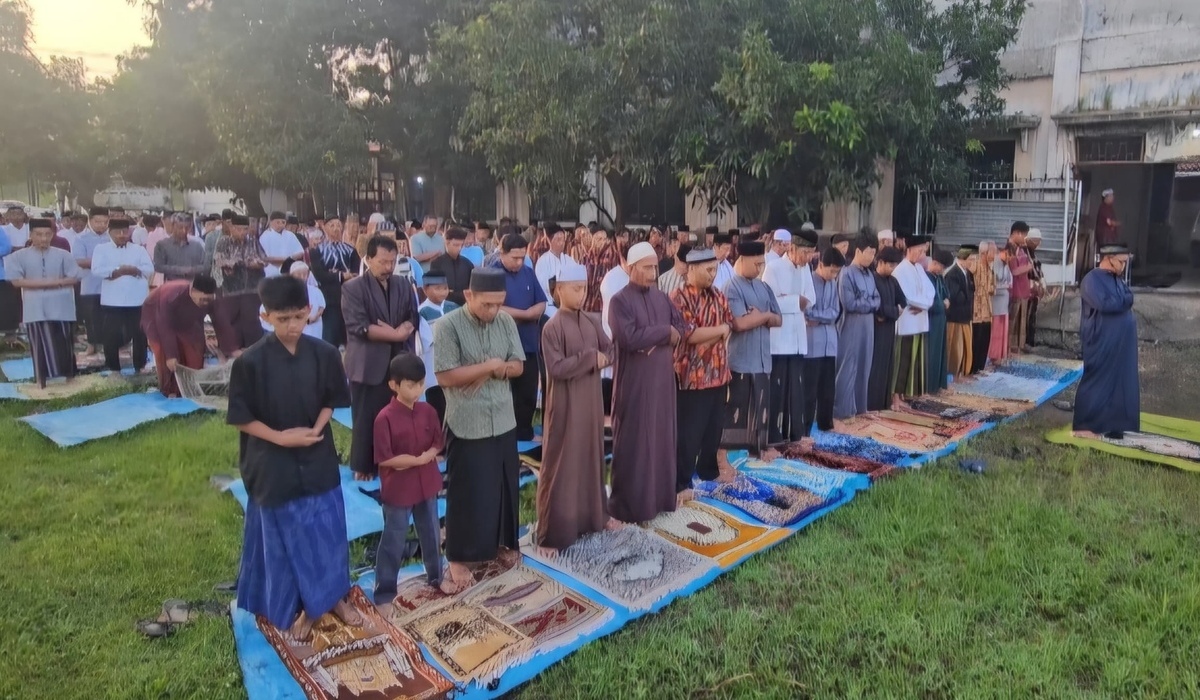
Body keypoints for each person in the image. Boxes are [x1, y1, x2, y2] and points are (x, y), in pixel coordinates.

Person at [228, 275, 358, 641]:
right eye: (282, 319)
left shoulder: (325, 353)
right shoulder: (250, 363)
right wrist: (282, 439)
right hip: (271, 462)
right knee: (285, 535)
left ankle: (332, 597)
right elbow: (241, 416)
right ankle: (293, 606)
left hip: (316, 453)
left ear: (308, 312)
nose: (291, 327)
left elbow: (332, 399)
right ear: (266, 316)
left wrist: (315, 431)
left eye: (298, 318)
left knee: (327, 528)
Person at [434, 268, 525, 590]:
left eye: (499, 304)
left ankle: (501, 544)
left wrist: (489, 371)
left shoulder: (506, 322)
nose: (493, 311)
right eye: (486, 304)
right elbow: (445, 376)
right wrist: (488, 365)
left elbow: (517, 365)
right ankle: (459, 558)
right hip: (467, 421)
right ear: (469, 296)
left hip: (502, 417)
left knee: (503, 487)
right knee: (468, 491)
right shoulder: (448, 326)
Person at [536, 259, 617, 554]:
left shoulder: (591, 321)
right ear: (559, 290)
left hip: (592, 404)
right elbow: (556, 368)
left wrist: (603, 358)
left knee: (590, 457)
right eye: (575, 289)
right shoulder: (552, 328)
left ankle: (594, 517)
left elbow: (609, 348)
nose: (581, 294)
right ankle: (554, 532)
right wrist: (589, 360)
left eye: (584, 288)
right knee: (562, 464)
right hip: (566, 405)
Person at [608, 242, 684, 523]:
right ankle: (629, 507)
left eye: (655, 266)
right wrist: (664, 332)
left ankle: (662, 500)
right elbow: (629, 338)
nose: (653, 272)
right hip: (635, 387)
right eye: (647, 267)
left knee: (662, 440)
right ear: (630, 268)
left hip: (662, 383)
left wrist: (666, 334)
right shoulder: (619, 301)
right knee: (635, 444)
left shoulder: (662, 298)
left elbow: (682, 328)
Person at [372, 353, 449, 610]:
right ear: (394, 385)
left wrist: (429, 455)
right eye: (410, 385)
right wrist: (419, 460)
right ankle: (384, 590)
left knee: (430, 532)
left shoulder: (428, 411)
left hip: (426, 483)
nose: (416, 390)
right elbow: (386, 458)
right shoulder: (384, 418)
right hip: (399, 488)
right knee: (394, 537)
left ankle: (436, 577)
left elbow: (438, 441)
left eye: (420, 384)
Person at [342, 235, 420, 479]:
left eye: (392, 262)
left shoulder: (402, 285)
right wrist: (395, 335)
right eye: (382, 262)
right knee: (367, 416)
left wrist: (402, 331)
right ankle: (364, 465)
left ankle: (394, 458)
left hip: (398, 360)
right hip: (368, 361)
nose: (388, 268)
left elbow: (413, 316)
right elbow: (359, 326)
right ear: (368, 259)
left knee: (396, 412)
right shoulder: (353, 288)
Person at [670, 248, 734, 502]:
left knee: (713, 428)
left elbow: (729, 325)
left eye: (714, 269)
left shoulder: (718, 295)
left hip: (718, 373)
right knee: (689, 433)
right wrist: (718, 330)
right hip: (691, 377)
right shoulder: (679, 297)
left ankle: (708, 472)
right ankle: (680, 481)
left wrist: (719, 331)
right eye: (708, 270)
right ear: (692, 269)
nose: (712, 275)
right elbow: (689, 334)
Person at [721, 241, 783, 465]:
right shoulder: (732, 287)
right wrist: (765, 317)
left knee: (761, 406)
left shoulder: (764, 287)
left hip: (762, 359)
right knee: (738, 409)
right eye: (756, 264)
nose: (759, 269)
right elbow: (739, 323)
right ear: (743, 260)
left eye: (762, 264)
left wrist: (762, 316)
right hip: (741, 359)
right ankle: (732, 456)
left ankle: (760, 450)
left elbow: (779, 319)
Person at [1073, 244, 1139, 439]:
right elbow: (1105, 303)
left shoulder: (1117, 281)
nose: (1123, 267)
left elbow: (1129, 297)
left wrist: (1123, 302)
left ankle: (1115, 424)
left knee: (1121, 381)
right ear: (1108, 258)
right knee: (1097, 381)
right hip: (1100, 340)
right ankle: (1086, 425)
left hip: (1120, 343)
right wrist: (1123, 302)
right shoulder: (1091, 279)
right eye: (1121, 262)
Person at [4, 219, 80, 387]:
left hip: (61, 306)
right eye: (39, 235)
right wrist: (53, 282)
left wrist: (53, 282)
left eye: (47, 234)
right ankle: (41, 381)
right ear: (30, 235)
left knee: (64, 342)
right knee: (38, 344)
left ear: (53, 234)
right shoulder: (17, 256)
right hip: (35, 307)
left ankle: (69, 379)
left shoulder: (63, 255)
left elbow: (74, 277)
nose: (44, 239)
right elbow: (16, 281)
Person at [763, 230, 816, 445]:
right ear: (792, 248)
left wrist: (791, 301)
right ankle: (774, 438)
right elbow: (770, 302)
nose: (808, 258)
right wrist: (795, 301)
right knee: (777, 391)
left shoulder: (805, 269)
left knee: (796, 390)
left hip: (797, 339)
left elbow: (811, 298)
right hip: (779, 341)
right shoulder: (773, 268)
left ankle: (795, 435)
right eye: (806, 253)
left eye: (811, 254)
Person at [492, 233, 547, 442]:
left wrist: (535, 312)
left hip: (528, 341)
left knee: (528, 391)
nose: (518, 262)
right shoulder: (492, 274)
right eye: (514, 257)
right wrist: (524, 314)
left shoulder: (528, 272)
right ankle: (504, 434)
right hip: (502, 344)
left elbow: (541, 301)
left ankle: (524, 431)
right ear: (502, 253)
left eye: (522, 257)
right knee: (505, 393)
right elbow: (492, 307)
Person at [92, 219, 154, 375]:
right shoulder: (101, 249)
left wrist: (134, 270)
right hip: (112, 301)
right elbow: (97, 270)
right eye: (117, 232)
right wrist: (118, 271)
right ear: (110, 232)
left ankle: (139, 366)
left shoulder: (138, 249)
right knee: (111, 336)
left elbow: (149, 269)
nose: (121, 235)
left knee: (139, 334)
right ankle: (114, 369)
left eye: (125, 231)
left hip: (137, 300)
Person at [141, 276, 216, 397]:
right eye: (203, 299)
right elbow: (164, 327)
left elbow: (219, 321)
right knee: (166, 355)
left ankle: (191, 386)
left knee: (195, 350)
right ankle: (170, 390)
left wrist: (226, 350)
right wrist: (171, 355)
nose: (206, 303)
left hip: (187, 321)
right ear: (193, 291)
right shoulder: (171, 295)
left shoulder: (209, 301)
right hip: (156, 318)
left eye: (209, 300)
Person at [834, 232, 881, 419]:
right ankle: (842, 411)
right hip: (851, 326)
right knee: (848, 366)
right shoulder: (846, 273)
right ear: (859, 251)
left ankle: (861, 409)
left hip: (868, 327)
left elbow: (877, 300)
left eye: (874, 253)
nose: (872, 257)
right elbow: (849, 303)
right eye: (869, 253)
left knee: (864, 365)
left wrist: (866, 302)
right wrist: (868, 303)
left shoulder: (870, 274)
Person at [801, 247, 843, 438]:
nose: (834, 275)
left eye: (837, 272)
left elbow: (835, 312)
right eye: (832, 270)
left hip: (829, 342)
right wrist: (821, 316)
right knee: (809, 392)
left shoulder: (833, 283)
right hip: (813, 344)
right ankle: (805, 428)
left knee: (828, 389)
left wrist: (820, 317)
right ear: (821, 265)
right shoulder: (808, 280)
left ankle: (826, 424)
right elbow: (807, 312)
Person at [212, 215, 267, 358]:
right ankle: (232, 355)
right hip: (231, 290)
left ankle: (254, 353)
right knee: (231, 323)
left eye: (244, 229)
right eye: (238, 229)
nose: (242, 233)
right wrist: (232, 263)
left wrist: (257, 263)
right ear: (232, 228)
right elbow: (219, 260)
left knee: (252, 322)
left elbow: (264, 259)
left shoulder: (253, 240)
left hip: (252, 288)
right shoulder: (224, 241)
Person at [892, 234, 933, 401]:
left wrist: (924, 305)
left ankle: (906, 396)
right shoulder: (900, 270)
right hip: (906, 323)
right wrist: (923, 304)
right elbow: (907, 297)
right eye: (918, 250)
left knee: (914, 361)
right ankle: (895, 398)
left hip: (919, 320)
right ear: (909, 250)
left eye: (922, 251)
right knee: (902, 361)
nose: (921, 254)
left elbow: (930, 293)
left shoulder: (919, 269)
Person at [309, 214, 361, 348]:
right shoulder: (317, 251)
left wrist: (336, 274)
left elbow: (356, 272)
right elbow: (319, 274)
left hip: (349, 296)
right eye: (332, 225)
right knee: (330, 335)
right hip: (328, 297)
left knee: (350, 336)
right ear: (325, 228)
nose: (336, 229)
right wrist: (342, 276)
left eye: (338, 225)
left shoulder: (350, 250)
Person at [416, 273, 458, 425]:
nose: (442, 292)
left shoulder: (453, 307)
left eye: (445, 288)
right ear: (426, 289)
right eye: (437, 288)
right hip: (433, 369)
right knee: (437, 408)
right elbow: (427, 341)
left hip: (454, 365)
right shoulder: (422, 312)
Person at [867, 247, 905, 411]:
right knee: (876, 367)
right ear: (880, 262)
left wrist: (893, 312)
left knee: (888, 366)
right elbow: (878, 308)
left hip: (889, 328)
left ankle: (884, 403)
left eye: (894, 266)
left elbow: (902, 302)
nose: (892, 269)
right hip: (876, 330)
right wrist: (893, 311)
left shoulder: (893, 281)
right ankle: (872, 404)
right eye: (890, 265)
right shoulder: (872, 279)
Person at [70, 207, 111, 356]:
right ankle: (92, 345)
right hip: (90, 285)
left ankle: (111, 346)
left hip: (111, 286)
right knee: (91, 318)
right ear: (90, 221)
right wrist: (104, 263)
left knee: (110, 318)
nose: (101, 225)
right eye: (97, 221)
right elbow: (80, 261)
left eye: (105, 222)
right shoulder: (81, 239)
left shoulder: (111, 238)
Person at [944, 245, 976, 381]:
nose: (973, 262)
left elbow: (972, 290)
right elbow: (956, 296)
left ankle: (962, 373)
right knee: (956, 348)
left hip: (965, 316)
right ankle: (955, 375)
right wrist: (968, 294)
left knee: (966, 347)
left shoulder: (967, 273)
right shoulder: (953, 274)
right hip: (955, 317)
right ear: (963, 259)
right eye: (971, 259)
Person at [533, 226, 575, 320]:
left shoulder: (568, 260)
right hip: (550, 306)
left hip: (568, 305)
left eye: (563, 240)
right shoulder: (543, 261)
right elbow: (543, 284)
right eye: (558, 240)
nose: (561, 243)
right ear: (550, 241)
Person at [153, 213, 206, 282]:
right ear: (172, 226)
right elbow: (158, 266)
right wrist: (180, 270)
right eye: (180, 228)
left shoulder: (196, 246)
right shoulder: (162, 245)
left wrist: (192, 270)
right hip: (171, 285)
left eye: (187, 228)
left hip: (193, 286)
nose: (184, 231)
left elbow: (205, 266)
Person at [429, 226, 474, 306]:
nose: (459, 248)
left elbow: (472, 290)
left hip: (464, 307)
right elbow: (435, 291)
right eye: (456, 245)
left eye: (461, 245)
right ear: (447, 242)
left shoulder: (468, 264)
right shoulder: (437, 264)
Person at [925, 251, 950, 393]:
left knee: (940, 352)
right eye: (941, 266)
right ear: (935, 263)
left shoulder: (940, 278)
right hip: (931, 320)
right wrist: (943, 304)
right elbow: (930, 302)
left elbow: (947, 295)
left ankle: (939, 385)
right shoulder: (926, 277)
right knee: (932, 353)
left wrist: (945, 302)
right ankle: (930, 386)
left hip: (941, 319)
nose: (942, 270)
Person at [970, 241, 996, 374]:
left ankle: (980, 367)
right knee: (976, 339)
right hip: (976, 308)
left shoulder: (990, 267)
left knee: (985, 337)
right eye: (993, 252)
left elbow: (993, 287)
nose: (995, 255)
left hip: (987, 308)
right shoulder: (975, 262)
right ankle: (972, 368)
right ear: (985, 253)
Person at [1007, 222, 1033, 354]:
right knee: (1013, 322)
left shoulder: (1021, 248)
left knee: (1022, 321)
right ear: (1016, 233)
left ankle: (1018, 347)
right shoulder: (1009, 249)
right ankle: (1009, 348)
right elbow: (1014, 271)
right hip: (1015, 291)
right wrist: (1028, 267)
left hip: (1024, 290)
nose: (1025, 238)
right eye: (1024, 235)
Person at [581, 227, 620, 313]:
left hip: (605, 302)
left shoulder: (612, 253)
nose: (602, 242)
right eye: (598, 239)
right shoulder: (587, 256)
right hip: (588, 303)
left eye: (604, 239)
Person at [259, 211, 305, 278]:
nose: (280, 225)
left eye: (283, 222)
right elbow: (264, 257)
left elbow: (300, 252)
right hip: (271, 272)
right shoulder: (265, 236)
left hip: (289, 271)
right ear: (271, 222)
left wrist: (289, 259)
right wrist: (284, 260)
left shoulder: (290, 235)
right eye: (278, 222)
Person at [988, 244, 1014, 364]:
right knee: (996, 331)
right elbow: (992, 285)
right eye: (1009, 255)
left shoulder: (1006, 265)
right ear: (1004, 251)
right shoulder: (995, 264)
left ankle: (1000, 355)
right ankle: (994, 356)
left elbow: (1010, 280)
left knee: (1003, 330)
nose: (1009, 258)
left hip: (1004, 301)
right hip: (997, 301)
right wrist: (1005, 286)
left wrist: (1007, 285)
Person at [1025, 228, 1044, 349]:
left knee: (1032, 316)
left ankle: (1030, 340)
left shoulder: (1032, 254)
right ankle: (1026, 341)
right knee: (1027, 316)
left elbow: (1037, 269)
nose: (1038, 244)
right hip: (1027, 290)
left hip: (1034, 290)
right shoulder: (1024, 252)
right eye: (1036, 241)